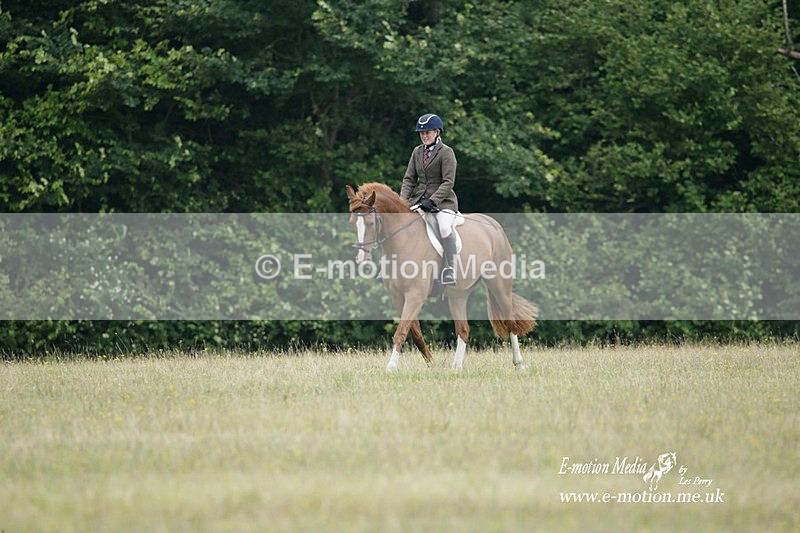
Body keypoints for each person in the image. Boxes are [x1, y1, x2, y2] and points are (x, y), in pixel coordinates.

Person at [400, 113, 459, 285]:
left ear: (437, 132)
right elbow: (409, 179)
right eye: (422, 133)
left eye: (427, 132)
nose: (424, 136)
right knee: (399, 226)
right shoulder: (417, 152)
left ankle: (450, 268)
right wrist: (402, 203)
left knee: (444, 228)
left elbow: (448, 182)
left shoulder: (446, 152)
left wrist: (433, 201)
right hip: (418, 201)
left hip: (443, 203)